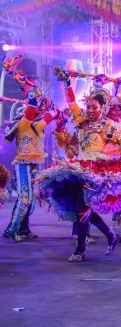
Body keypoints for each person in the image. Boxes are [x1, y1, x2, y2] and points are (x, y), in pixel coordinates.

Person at [36, 76, 121, 262]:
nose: (90, 110)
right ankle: (110, 236)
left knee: (83, 207)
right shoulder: (82, 122)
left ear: (103, 108)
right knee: (83, 207)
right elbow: (72, 103)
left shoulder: (108, 126)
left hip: (96, 170)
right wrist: (67, 84)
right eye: (88, 107)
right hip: (79, 167)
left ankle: (81, 249)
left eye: (94, 107)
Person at [3, 96, 58, 241]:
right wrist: (36, 102)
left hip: (33, 165)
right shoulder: (24, 123)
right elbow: (34, 112)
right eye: (39, 110)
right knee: (25, 198)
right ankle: (11, 230)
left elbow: (51, 115)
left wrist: (53, 110)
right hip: (23, 165)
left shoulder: (37, 124)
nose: (40, 113)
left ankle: (24, 229)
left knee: (31, 199)